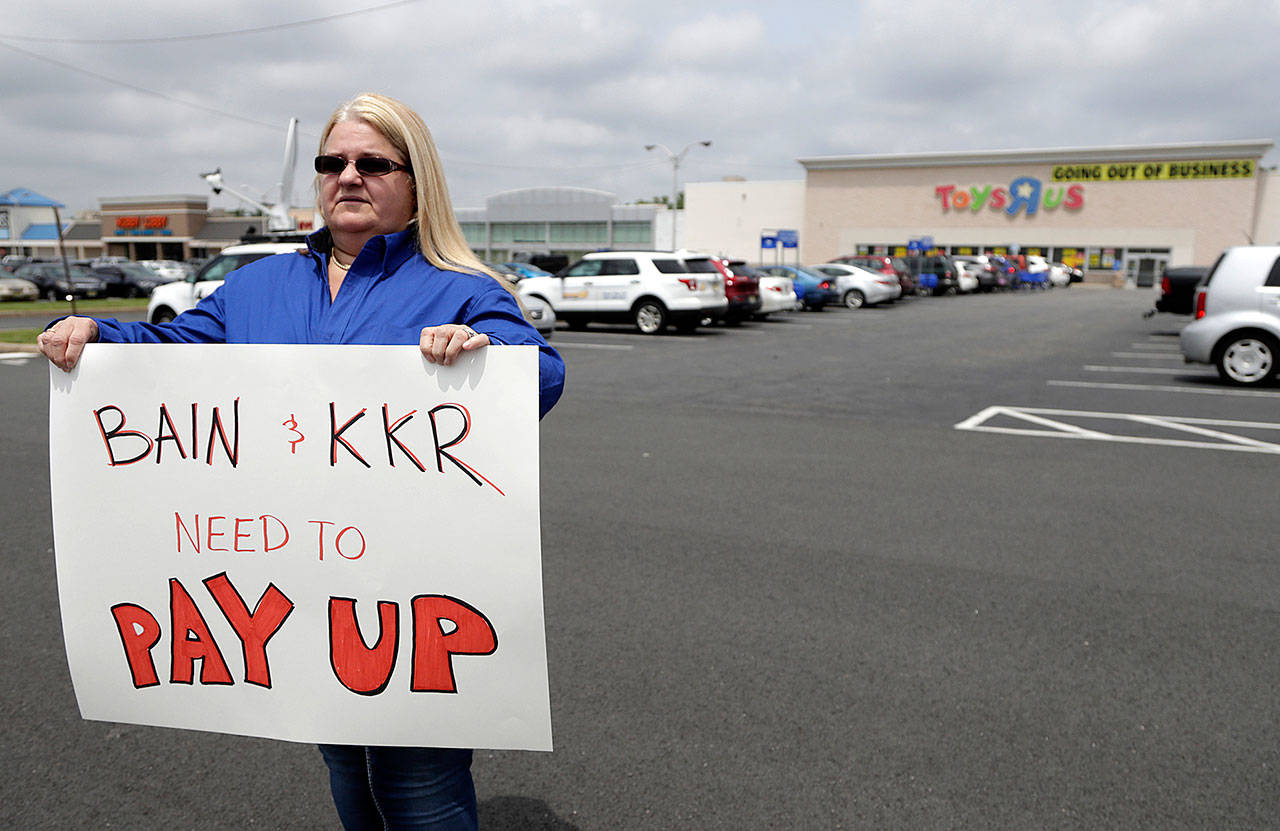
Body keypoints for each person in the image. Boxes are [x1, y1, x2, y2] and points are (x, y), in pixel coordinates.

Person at [39, 92, 565, 830]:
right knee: (344, 762)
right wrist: (99, 337)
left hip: (413, 590)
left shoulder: (462, 289)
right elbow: (177, 353)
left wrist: (481, 353)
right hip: (303, 584)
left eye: (372, 162)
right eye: (332, 162)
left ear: (416, 183)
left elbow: (540, 373)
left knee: (421, 780)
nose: (347, 176)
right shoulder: (259, 284)